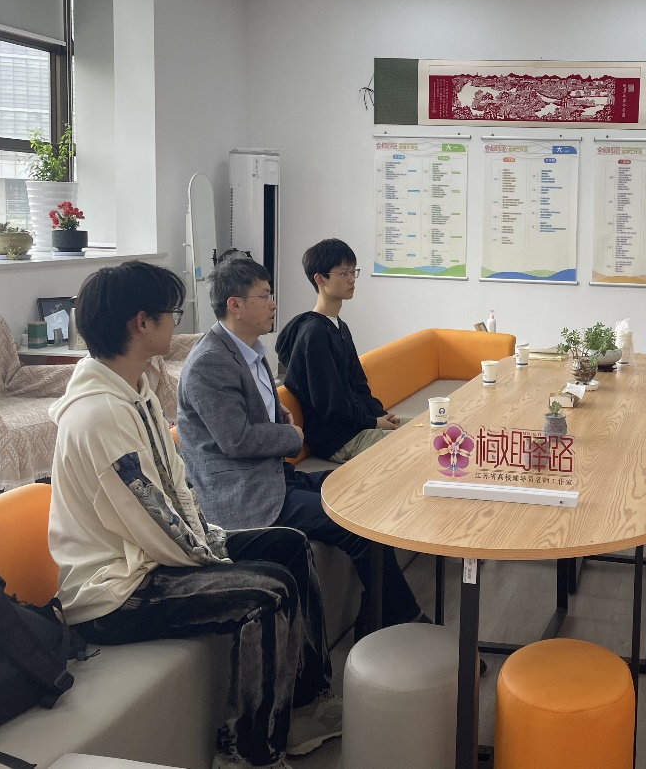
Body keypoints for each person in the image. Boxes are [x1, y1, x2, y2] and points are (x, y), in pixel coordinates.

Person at [47, 260, 340, 769]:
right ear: (142, 323)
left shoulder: (134, 392)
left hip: (152, 557)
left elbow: (177, 485)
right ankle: (249, 752)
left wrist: (210, 539)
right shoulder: (99, 415)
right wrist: (216, 557)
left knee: (288, 543)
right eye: (171, 313)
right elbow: (153, 521)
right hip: (114, 591)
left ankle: (305, 702)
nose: (177, 323)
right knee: (267, 590)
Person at [177, 255, 423, 629]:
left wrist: (277, 416)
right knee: (356, 523)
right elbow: (236, 440)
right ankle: (399, 616)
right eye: (264, 295)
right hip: (244, 496)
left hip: (273, 477)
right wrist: (290, 435)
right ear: (235, 304)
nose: (274, 304)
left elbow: (253, 415)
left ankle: (376, 615)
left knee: (366, 488)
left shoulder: (248, 350)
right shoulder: (210, 362)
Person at [276, 238, 400, 463]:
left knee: (430, 429)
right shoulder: (314, 333)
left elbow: (359, 385)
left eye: (353, 272)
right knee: (419, 445)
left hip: (358, 427)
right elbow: (331, 404)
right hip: (339, 439)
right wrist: (373, 422)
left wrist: (379, 414)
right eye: (343, 273)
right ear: (320, 279)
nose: (352, 279)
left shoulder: (339, 327)